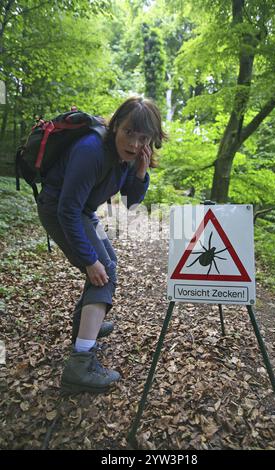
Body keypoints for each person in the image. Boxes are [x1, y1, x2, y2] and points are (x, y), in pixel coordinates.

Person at [37, 96, 166, 394]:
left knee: (108, 261)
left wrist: (140, 171)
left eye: (143, 137)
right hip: (60, 209)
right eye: (129, 132)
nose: (134, 143)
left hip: (83, 211)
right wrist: (88, 260)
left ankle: (86, 323)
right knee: (101, 268)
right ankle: (80, 363)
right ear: (116, 124)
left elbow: (131, 202)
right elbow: (66, 210)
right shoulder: (91, 151)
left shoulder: (130, 156)